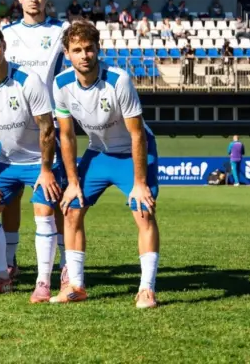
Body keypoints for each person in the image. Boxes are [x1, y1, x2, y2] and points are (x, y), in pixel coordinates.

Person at [51, 21, 160, 309]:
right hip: (98, 152)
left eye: (89, 49)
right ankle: (75, 285)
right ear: (67, 53)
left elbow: (137, 134)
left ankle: (146, 289)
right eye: (77, 50)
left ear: (98, 49)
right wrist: (72, 182)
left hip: (133, 153)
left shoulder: (118, 79)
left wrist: (139, 184)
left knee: (143, 211)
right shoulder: (61, 84)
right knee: (71, 210)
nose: (84, 55)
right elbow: (66, 135)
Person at [0, 24, 62, 302]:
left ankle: (43, 282)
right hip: (7, 162)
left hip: (40, 161)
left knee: (43, 210)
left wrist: (46, 170)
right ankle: (2, 275)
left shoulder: (29, 79)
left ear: (3, 46)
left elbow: (47, 128)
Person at [0, 0, 68, 285]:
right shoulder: (7, 33)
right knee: (9, 198)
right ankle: (11, 260)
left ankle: (66, 263)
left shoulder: (62, 30)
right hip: (12, 125)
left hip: (48, 124)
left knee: (56, 197)